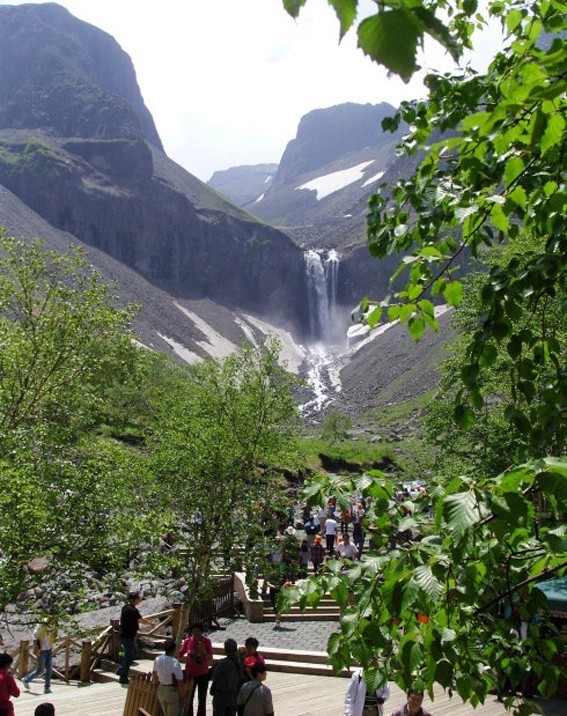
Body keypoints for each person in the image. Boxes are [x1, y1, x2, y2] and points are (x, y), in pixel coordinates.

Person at [116, 591, 153, 685]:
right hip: (127, 636)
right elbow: (140, 620)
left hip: (124, 635)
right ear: (134, 600)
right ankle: (123, 677)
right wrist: (151, 623)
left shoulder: (125, 607)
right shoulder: (133, 610)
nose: (139, 600)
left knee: (133, 652)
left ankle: (120, 670)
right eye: (138, 598)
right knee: (129, 656)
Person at [179, 622, 213, 716]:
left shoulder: (206, 642)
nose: (196, 634)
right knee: (189, 698)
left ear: (202, 632)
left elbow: (210, 659)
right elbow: (180, 654)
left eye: (198, 632)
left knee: (202, 699)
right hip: (190, 674)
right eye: (194, 631)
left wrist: (204, 650)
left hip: (203, 674)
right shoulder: (188, 641)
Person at [22, 614, 58, 694]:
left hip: (49, 649)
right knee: (40, 670)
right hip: (41, 650)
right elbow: (35, 634)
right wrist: (35, 646)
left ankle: (47, 688)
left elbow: (54, 635)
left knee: (49, 670)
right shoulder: (42, 623)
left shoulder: (54, 624)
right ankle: (26, 680)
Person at [210, 638, 242, 716]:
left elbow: (214, 677)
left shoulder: (223, 664)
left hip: (221, 697)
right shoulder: (240, 661)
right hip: (234, 696)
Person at [153, 638, 185, 716]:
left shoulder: (158, 659)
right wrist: (183, 695)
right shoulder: (175, 662)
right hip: (172, 690)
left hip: (161, 689)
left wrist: (156, 684)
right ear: (174, 649)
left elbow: (154, 674)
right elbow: (180, 681)